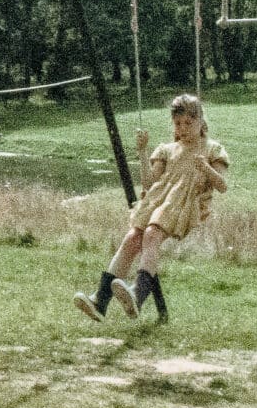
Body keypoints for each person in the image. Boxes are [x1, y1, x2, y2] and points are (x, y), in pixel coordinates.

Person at [74, 93, 228, 323]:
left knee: (152, 234)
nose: (183, 128)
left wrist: (205, 168)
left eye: (189, 123)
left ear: (201, 122)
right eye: (178, 124)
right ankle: (100, 300)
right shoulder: (167, 149)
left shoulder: (212, 149)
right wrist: (143, 151)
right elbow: (148, 183)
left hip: (185, 204)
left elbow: (222, 185)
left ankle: (138, 294)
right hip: (159, 201)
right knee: (132, 238)